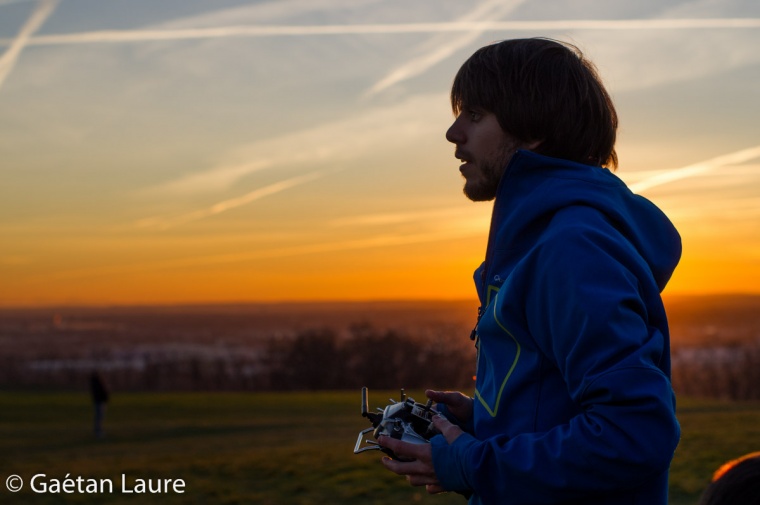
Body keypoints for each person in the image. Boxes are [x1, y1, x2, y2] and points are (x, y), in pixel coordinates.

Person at [378, 38, 682, 504]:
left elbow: (634, 435)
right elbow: (565, 406)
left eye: (475, 115)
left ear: (533, 130)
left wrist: (472, 464)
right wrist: (489, 419)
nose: (453, 133)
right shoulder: (540, 242)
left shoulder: (572, 248)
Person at [89, 371, 109, 437]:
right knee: (99, 417)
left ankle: (98, 430)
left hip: (99, 401)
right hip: (99, 402)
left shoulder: (94, 383)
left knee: (99, 417)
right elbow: (101, 392)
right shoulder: (97, 383)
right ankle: (98, 431)